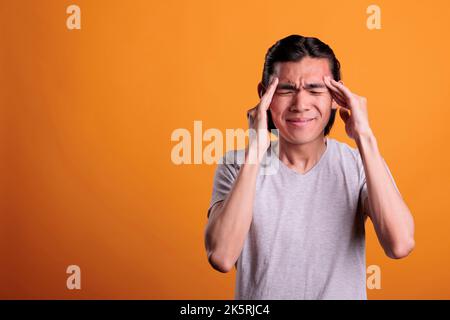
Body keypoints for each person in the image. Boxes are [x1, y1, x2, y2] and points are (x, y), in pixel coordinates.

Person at [204, 34, 415, 299]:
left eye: (315, 90)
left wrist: (365, 137)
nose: (301, 105)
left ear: (336, 97)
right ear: (263, 95)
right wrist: (256, 148)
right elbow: (221, 256)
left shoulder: (360, 165)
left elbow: (400, 244)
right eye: (286, 89)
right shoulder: (236, 166)